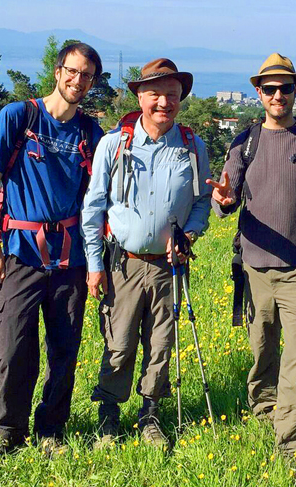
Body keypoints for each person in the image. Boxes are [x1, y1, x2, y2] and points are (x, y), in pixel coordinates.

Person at [207, 53, 296, 460]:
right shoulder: (244, 141)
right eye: (269, 88)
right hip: (253, 268)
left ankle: (291, 447)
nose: (277, 95)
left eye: (285, 88)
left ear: (295, 91)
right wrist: (224, 201)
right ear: (258, 92)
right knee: (262, 352)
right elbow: (224, 197)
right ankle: (264, 409)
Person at [0, 42, 105, 461]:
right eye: (73, 71)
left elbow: (98, 199)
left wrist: (96, 260)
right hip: (20, 254)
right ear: (57, 71)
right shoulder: (19, 117)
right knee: (14, 347)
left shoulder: (90, 133)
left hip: (71, 258)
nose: (78, 81)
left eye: (87, 76)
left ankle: (51, 428)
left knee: (64, 349)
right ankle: (7, 431)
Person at [81, 58, 212, 449]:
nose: (164, 102)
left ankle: (150, 414)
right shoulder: (114, 143)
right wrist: (93, 264)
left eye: (172, 95)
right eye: (155, 93)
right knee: (119, 343)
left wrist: (189, 235)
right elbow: (93, 207)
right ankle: (108, 413)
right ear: (139, 96)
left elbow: (202, 202)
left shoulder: (192, 146)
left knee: (161, 345)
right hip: (122, 263)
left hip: (170, 267)